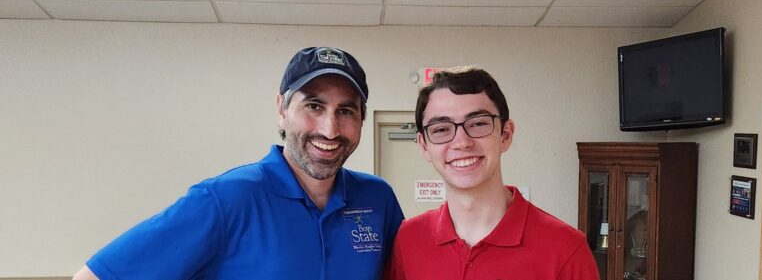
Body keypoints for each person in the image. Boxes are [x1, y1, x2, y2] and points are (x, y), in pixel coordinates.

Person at [73, 47, 404, 280]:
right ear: (281, 109)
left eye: (346, 111)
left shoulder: (376, 199)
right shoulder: (224, 200)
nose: (330, 129)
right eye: (314, 106)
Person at [385, 66, 599, 279]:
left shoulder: (566, 250)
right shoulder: (408, 241)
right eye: (441, 129)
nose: (462, 142)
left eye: (478, 123)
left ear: (505, 135)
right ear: (424, 146)